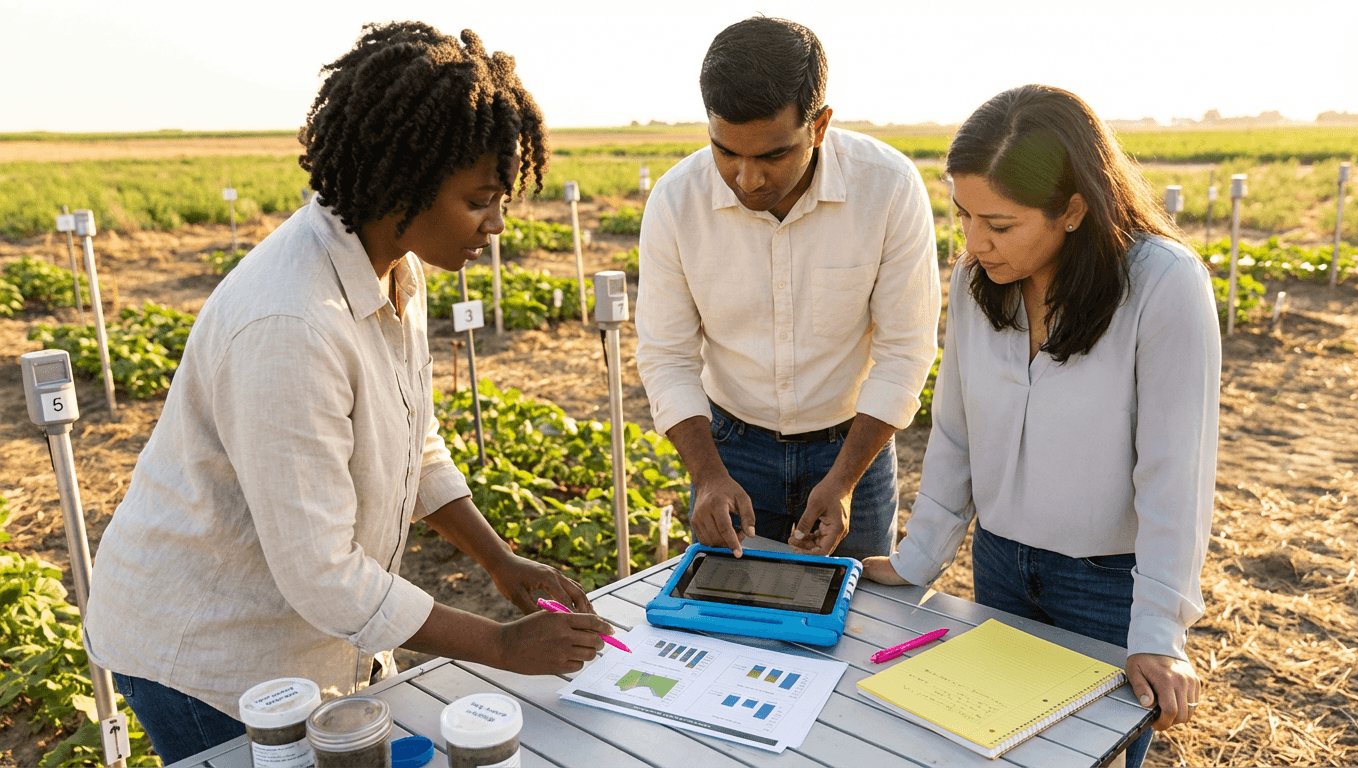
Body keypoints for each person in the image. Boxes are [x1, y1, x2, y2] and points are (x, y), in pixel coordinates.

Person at [82, 22, 616, 763]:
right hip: (207, 659)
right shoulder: (291, 322)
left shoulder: (394, 264)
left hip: (297, 634)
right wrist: (496, 642)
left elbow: (414, 445)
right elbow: (324, 574)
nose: (498, 224)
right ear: (405, 184)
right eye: (480, 200)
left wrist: (500, 561)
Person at [862, 85, 1217, 768]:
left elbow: (1177, 471)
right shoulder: (976, 284)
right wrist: (915, 564)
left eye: (999, 224)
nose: (973, 243)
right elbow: (957, 436)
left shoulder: (1162, 283)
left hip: (1109, 582)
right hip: (999, 564)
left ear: (1074, 208)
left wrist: (1159, 630)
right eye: (963, 215)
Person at [635, 16, 940, 561]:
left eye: (772, 155)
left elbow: (905, 350)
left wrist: (844, 482)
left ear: (819, 126)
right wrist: (707, 477)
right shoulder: (675, 201)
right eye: (726, 151)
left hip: (853, 449)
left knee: (857, 626)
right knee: (727, 622)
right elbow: (667, 356)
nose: (747, 178)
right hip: (728, 450)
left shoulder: (888, 188)